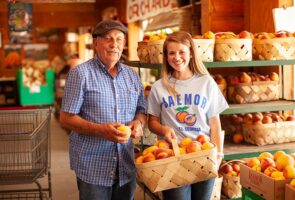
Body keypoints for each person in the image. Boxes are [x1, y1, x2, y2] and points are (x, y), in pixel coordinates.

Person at [60, 20, 147, 200]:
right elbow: (66, 118)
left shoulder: (132, 76)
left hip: (125, 163)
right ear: (96, 43)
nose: (114, 44)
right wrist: (100, 130)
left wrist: (138, 123)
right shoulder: (80, 74)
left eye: (119, 40)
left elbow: (141, 109)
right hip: (93, 164)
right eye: (108, 39)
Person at [147, 31, 228, 200]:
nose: (177, 57)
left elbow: (215, 123)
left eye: (181, 52)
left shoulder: (206, 82)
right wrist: (163, 129)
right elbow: (151, 122)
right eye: (172, 53)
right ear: (166, 56)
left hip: (203, 155)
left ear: (191, 54)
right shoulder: (159, 87)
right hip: (173, 157)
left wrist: (218, 155)